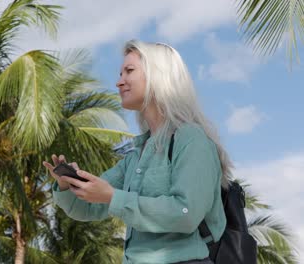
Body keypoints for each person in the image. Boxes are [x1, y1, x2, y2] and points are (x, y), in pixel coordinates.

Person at [43, 40, 232, 264]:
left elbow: (186, 213)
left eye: (129, 71)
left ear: (158, 76)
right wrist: (67, 184)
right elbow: (87, 207)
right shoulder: (136, 156)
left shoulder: (191, 139)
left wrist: (114, 197)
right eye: (120, 73)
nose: (119, 82)